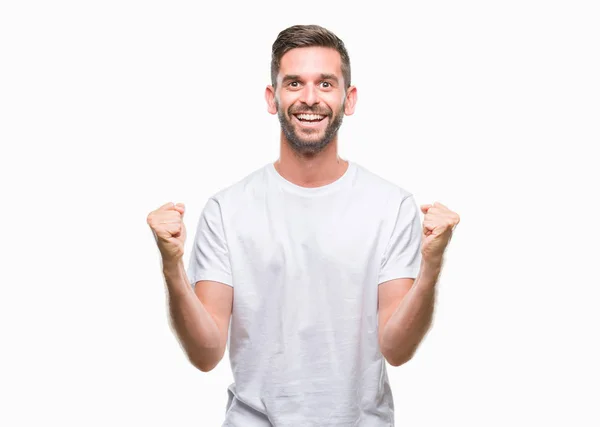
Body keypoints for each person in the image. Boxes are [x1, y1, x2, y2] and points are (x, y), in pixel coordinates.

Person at [147, 24, 460, 427]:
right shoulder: (227, 209)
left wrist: (431, 266)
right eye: (294, 83)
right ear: (271, 97)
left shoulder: (390, 205)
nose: (310, 97)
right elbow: (206, 354)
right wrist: (171, 267)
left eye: (325, 83)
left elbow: (397, 349)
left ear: (349, 100)